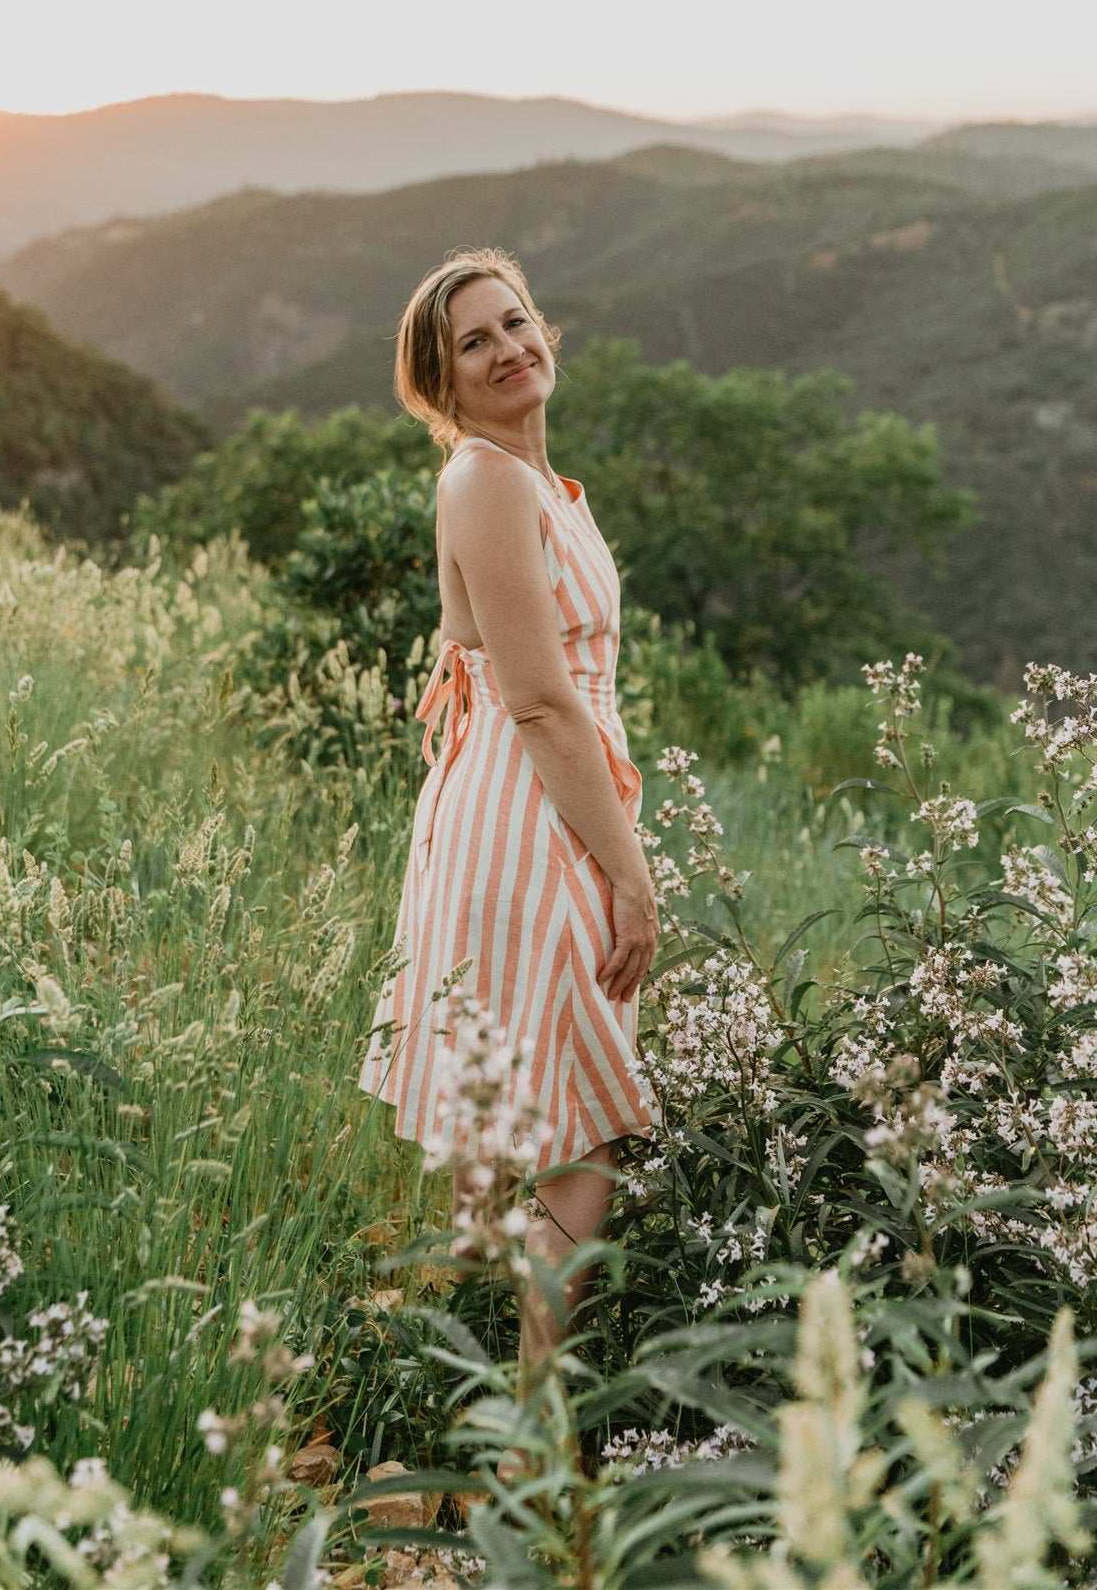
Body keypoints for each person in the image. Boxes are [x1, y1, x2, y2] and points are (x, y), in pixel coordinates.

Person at [357, 246, 660, 1386]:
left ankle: (459, 1381)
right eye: (473, 341)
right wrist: (629, 872)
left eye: (516, 321)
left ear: (548, 331)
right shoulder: (482, 477)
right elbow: (538, 697)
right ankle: (532, 1406)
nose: (507, 349)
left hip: (545, 797)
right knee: (585, 1127)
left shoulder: (546, 486)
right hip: (528, 810)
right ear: (441, 384)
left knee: (509, 1102)